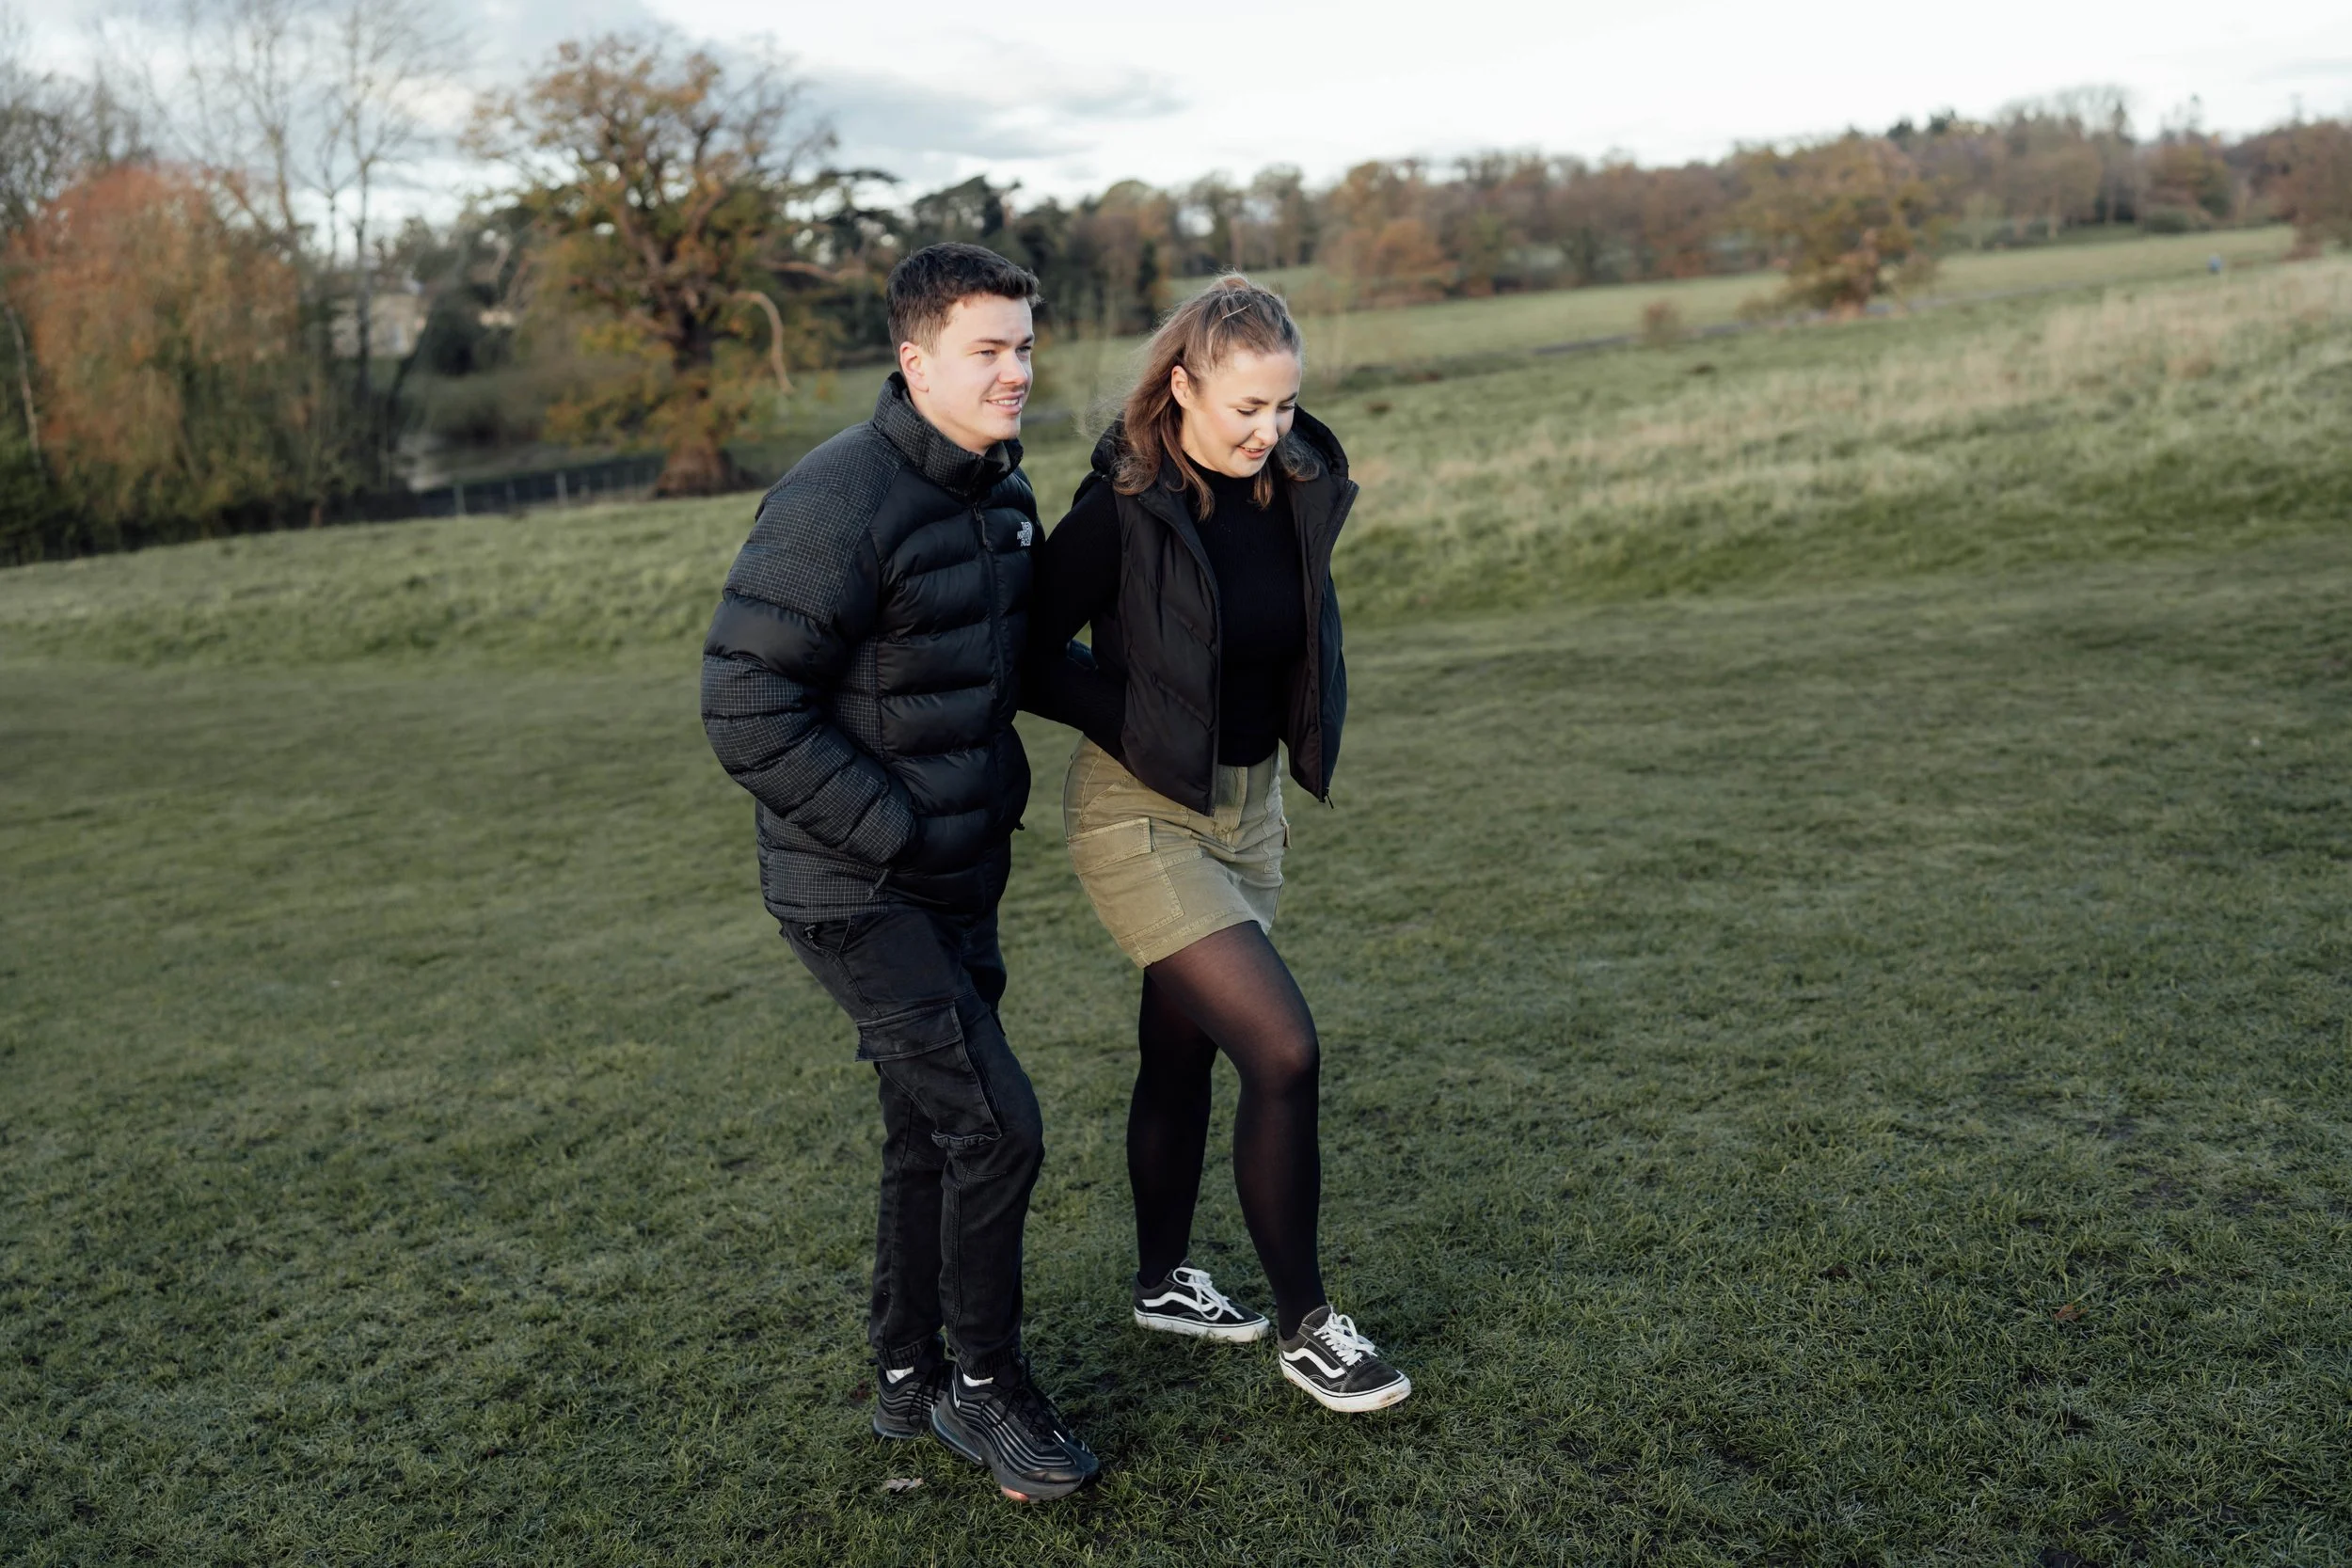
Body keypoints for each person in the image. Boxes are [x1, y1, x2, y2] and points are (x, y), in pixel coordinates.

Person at [700, 243, 1099, 1502]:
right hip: (856, 888)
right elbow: (743, 699)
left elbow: (1014, 664)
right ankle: (984, 1385)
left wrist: (1172, 716)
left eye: (1024, 345)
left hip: (961, 875)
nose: (1016, 370)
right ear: (916, 360)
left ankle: (907, 1371)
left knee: (930, 1126)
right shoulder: (837, 500)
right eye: (988, 349)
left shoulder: (1000, 491)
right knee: (995, 1124)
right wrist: (897, 831)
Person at [1023, 277, 1410, 1414]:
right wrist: (1133, 721)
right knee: (1282, 1050)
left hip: (1250, 812)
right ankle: (1309, 1328)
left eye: (1285, 406)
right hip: (1139, 812)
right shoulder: (1123, 508)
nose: (1268, 430)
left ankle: (1161, 1283)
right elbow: (1025, 648)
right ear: (1182, 385)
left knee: (1179, 1051)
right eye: (1246, 408)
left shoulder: (1293, 486)